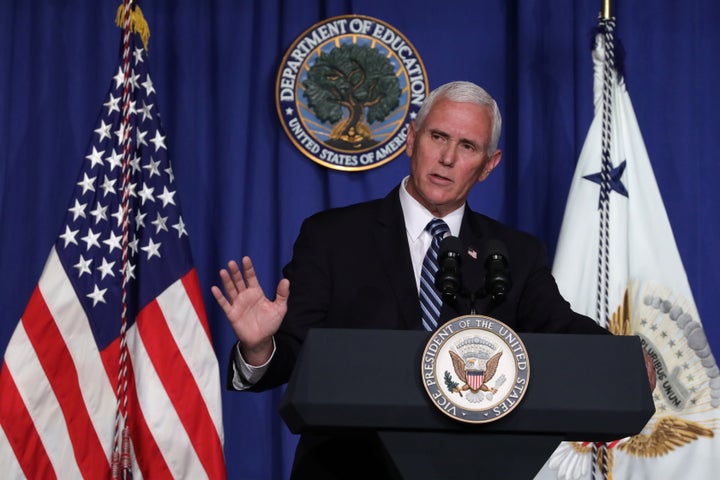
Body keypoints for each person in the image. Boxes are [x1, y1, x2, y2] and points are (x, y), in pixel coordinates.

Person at [212, 81, 650, 479]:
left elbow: (561, 327)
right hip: (349, 470)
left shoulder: (513, 253)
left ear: (488, 164)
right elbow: (291, 355)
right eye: (437, 137)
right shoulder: (333, 236)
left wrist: (624, 359)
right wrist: (258, 347)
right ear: (411, 140)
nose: (447, 158)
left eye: (467, 146)